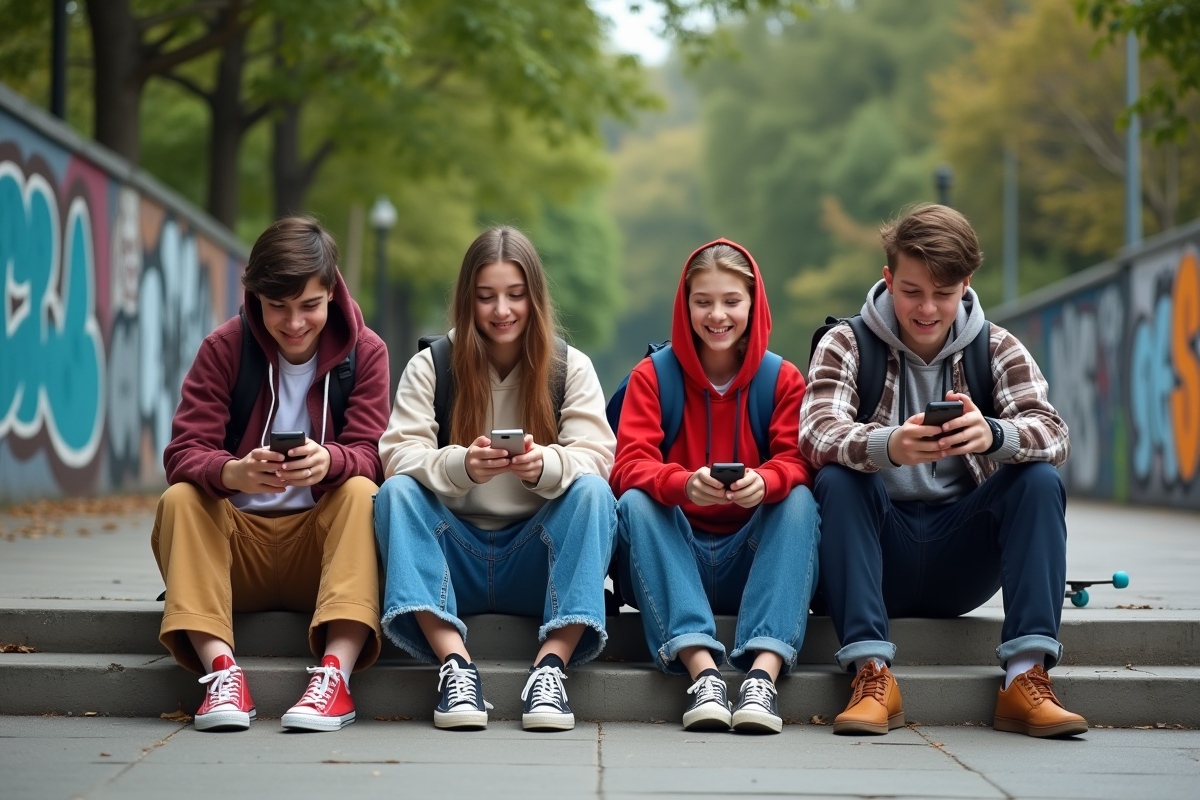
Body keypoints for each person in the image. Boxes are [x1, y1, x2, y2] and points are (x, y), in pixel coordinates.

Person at [800, 203, 1086, 738]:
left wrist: (995, 435)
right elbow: (814, 433)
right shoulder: (846, 342)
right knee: (837, 478)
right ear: (887, 278)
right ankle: (870, 673)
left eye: (943, 293)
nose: (927, 308)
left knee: (1039, 479)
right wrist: (888, 445)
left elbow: (1056, 434)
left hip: (963, 555)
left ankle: (1026, 677)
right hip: (876, 555)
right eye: (911, 291)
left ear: (966, 284)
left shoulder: (996, 346)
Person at [374, 226, 617, 732]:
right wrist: (459, 466)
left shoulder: (569, 367)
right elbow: (396, 454)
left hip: (536, 557)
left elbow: (597, 457)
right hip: (452, 555)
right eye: (486, 297)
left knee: (594, 494)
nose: (502, 310)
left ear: (535, 297)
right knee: (395, 494)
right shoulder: (433, 365)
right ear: (468, 300)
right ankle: (455, 667)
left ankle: (550, 669)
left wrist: (544, 466)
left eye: (515, 295)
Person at [152, 216, 390, 733]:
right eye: (277, 306)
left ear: (331, 291)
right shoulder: (224, 348)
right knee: (179, 500)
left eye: (309, 305)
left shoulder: (365, 352)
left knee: (361, 491)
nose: (295, 322)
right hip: (236, 554)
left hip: (321, 553)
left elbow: (373, 454)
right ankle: (221, 674)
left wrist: (332, 461)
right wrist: (233, 472)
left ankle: (336, 675)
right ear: (254, 295)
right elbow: (183, 451)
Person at [610, 240, 820, 734]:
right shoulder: (652, 376)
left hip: (752, 558)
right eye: (703, 301)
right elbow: (627, 466)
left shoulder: (783, 379)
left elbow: (800, 460)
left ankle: (760, 677)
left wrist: (764, 482)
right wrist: (683, 484)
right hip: (673, 555)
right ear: (685, 307)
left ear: (753, 303)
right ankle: (702, 671)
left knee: (800, 499)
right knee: (638, 502)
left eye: (731, 301)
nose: (717, 315)